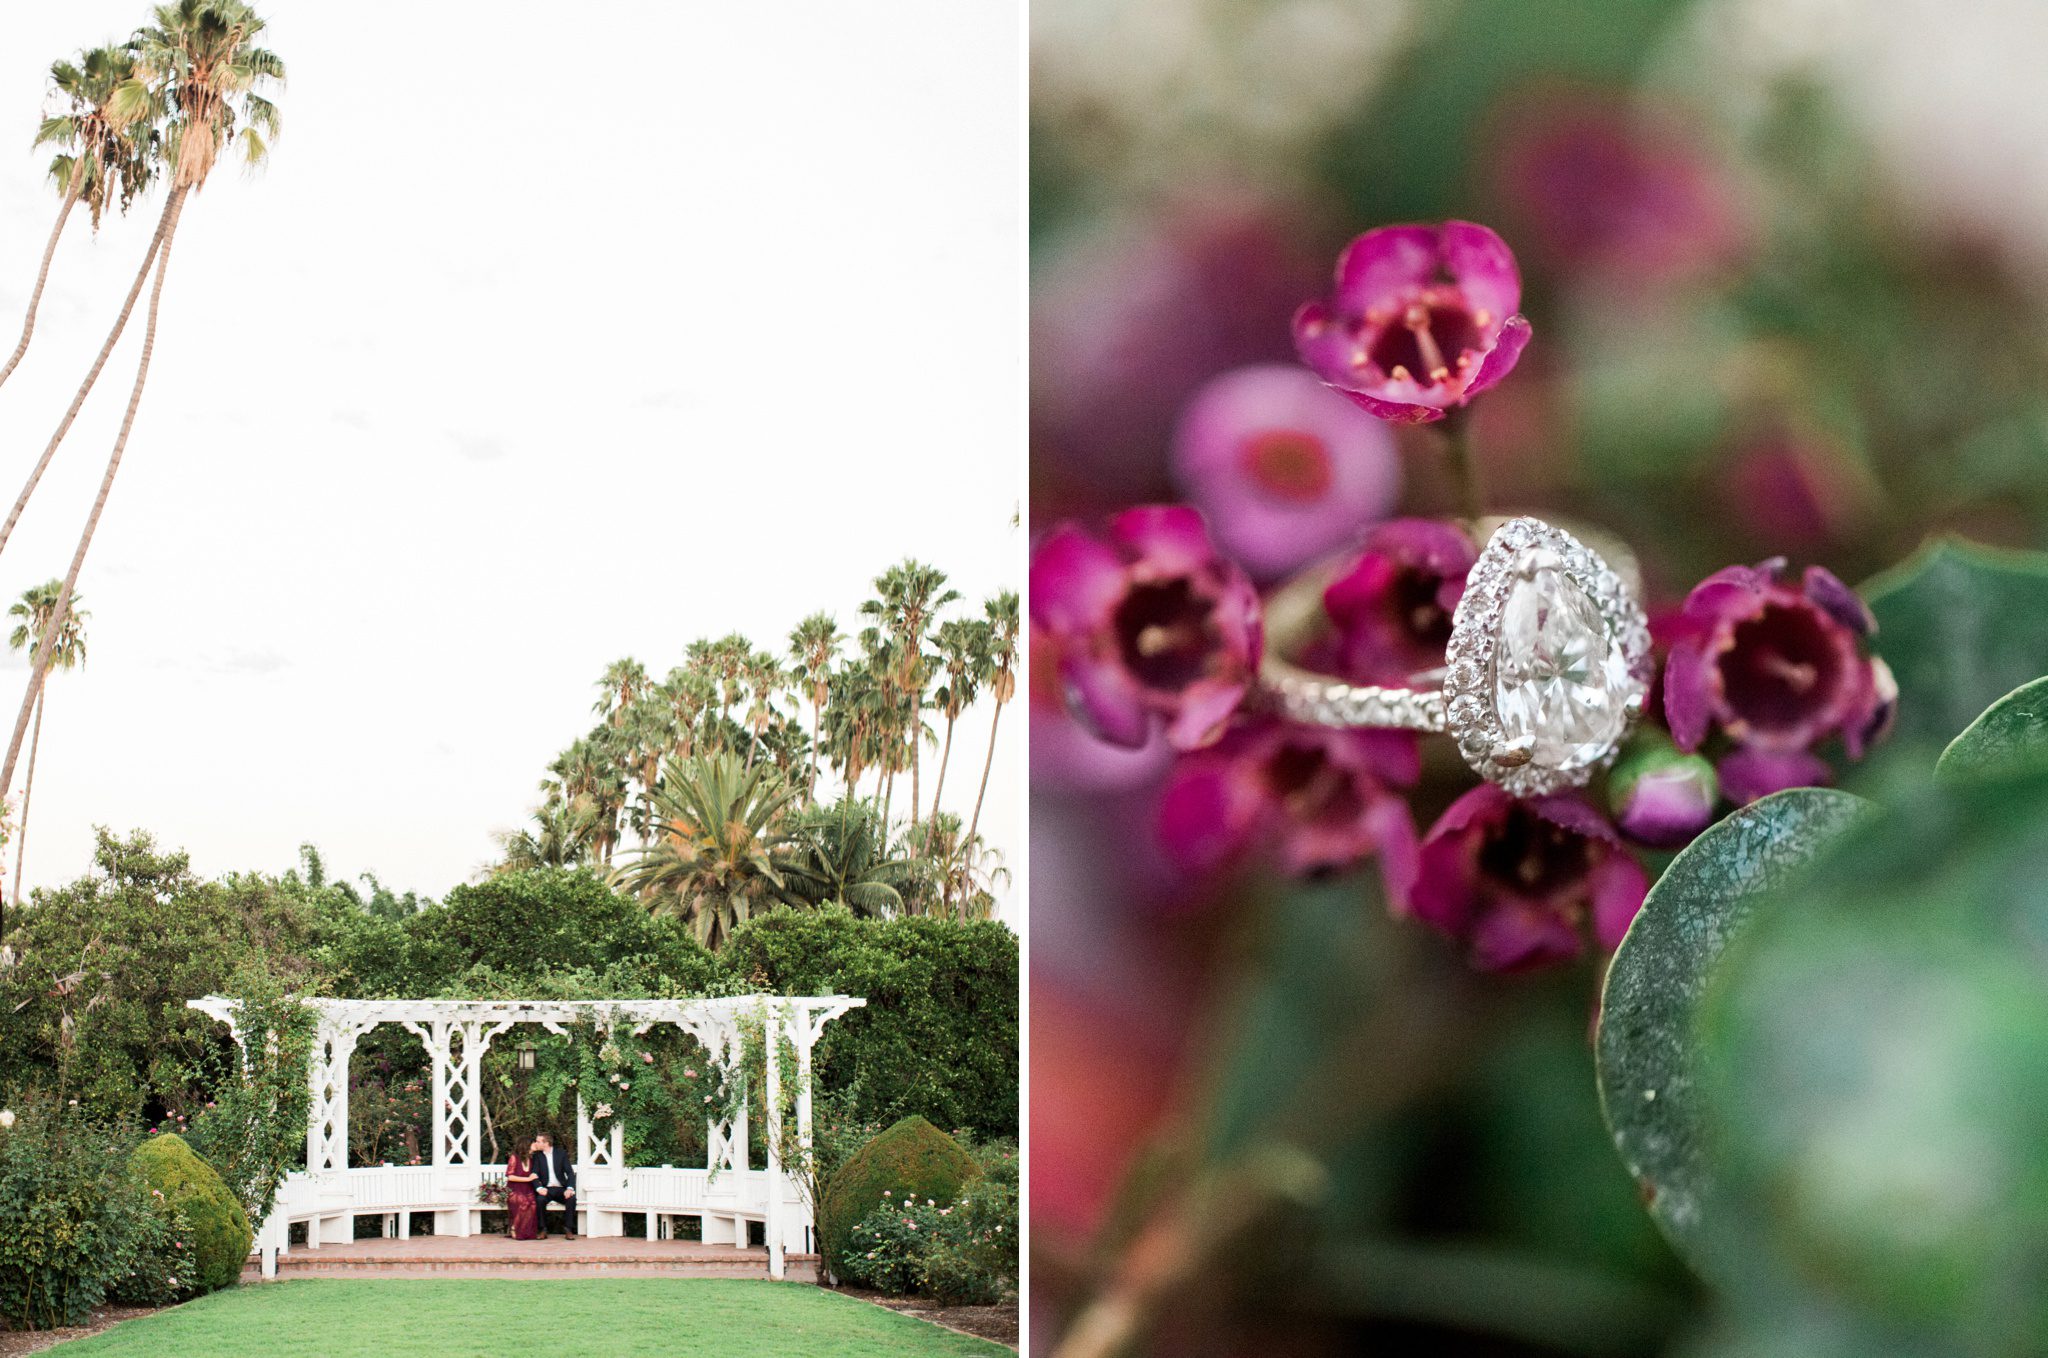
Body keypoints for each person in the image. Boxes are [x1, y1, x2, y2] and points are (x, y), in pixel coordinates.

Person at [530, 1131, 577, 1239]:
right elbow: (534, 1173)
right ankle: (543, 1229)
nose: (536, 1143)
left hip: (561, 1189)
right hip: (546, 1189)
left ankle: (569, 1229)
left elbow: (569, 1172)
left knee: (571, 1199)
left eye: (538, 1141)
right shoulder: (537, 1156)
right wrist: (539, 1188)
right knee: (540, 1200)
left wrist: (569, 1188)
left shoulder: (561, 1153)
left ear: (546, 1143)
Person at [505, 1139, 540, 1241]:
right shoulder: (514, 1158)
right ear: (527, 1144)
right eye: (534, 1143)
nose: (536, 1144)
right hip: (514, 1189)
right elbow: (510, 1177)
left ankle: (525, 1231)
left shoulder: (532, 1159)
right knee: (524, 1202)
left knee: (533, 1204)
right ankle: (514, 1227)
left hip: (528, 1189)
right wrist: (528, 1179)